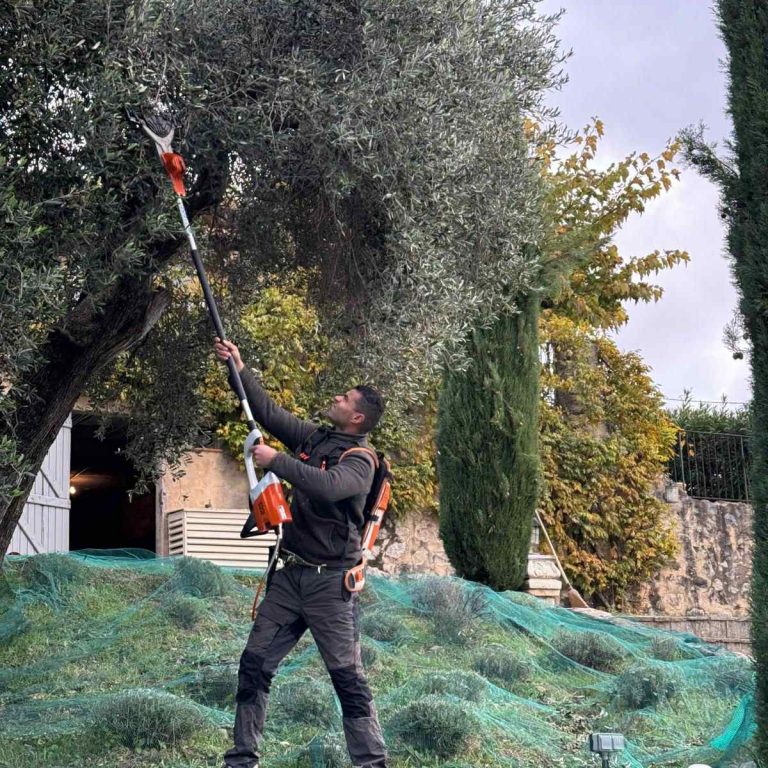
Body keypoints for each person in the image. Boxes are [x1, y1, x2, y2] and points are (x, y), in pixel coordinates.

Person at [214, 338, 388, 768]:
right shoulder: (315, 438)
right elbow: (268, 412)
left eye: (345, 398)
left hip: (331, 587)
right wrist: (239, 368)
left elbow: (327, 486)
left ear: (358, 417)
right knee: (254, 664)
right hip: (289, 578)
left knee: (348, 680)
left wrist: (276, 460)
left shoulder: (361, 461)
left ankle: (372, 762)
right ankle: (242, 759)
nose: (337, 398)